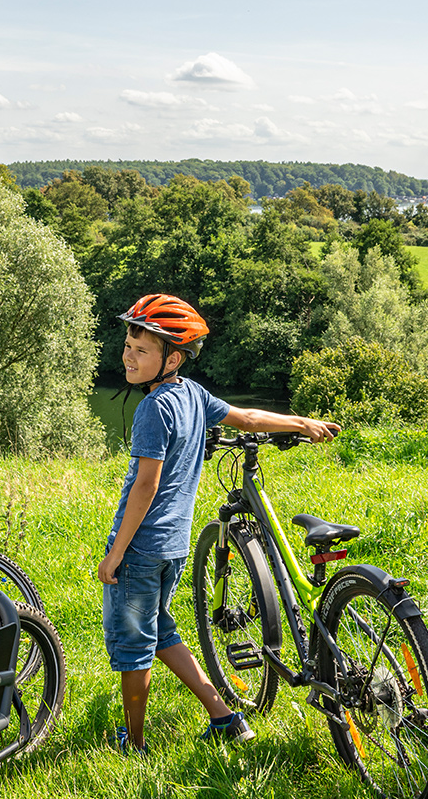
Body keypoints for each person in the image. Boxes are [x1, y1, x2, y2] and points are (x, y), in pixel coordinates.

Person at [99, 294, 337, 753]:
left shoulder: (153, 409)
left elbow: (146, 487)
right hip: (174, 545)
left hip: (141, 546)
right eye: (128, 345)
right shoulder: (191, 394)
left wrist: (116, 553)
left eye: (141, 350)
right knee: (160, 629)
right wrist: (300, 422)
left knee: (133, 649)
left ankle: (135, 741)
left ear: (171, 357)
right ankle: (224, 716)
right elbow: (247, 418)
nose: (128, 356)